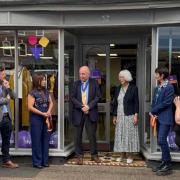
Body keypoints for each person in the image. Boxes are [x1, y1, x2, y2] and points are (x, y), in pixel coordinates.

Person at [71, 66, 101, 165]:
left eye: (83, 74)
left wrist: (88, 107)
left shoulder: (94, 83)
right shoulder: (75, 84)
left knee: (92, 135)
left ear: (88, 74)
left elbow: (98, 97)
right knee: (77, 136)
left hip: (90, 112)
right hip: (78, 113)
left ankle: (94, 155)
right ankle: (79, 156)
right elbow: (72, 98)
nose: (81, 76)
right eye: (80, 74)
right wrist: (82, 107)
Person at [150, 67, 174, 176]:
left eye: (156, 74)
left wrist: (154, 110)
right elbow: (154, 102)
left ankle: (168, 164)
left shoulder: (169, 87)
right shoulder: (157, 88)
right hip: (157, 117)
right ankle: (164, 162)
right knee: (161, 140)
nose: (155, 75)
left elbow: (167, 103)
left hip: (165, 118)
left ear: (162, 75)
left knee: (161, 140)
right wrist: (152, 111)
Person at [112, 69, 139, 164]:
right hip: (120, 115)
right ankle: (122, 155)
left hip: (129, 115)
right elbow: (115, 103)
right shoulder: (117, 88)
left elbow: (136, 103)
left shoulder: (133, 88)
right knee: (121, 135)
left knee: (129, 136)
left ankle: (130, 155)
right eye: (119, 77)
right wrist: (114, 116)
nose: (120, 79)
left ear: (127, 77)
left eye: (122, 77)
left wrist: (136, 115)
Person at [28, 73, 53, 169]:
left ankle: (44, 161)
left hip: (46, 118)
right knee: (36, 140)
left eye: (44, 80)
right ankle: (37, 162)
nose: (44, 81)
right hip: (36, 119)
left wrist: (49, 111)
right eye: (42, 80)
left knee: (45, 140)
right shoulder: (32, 93)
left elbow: (51, 102)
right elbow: (30, 107)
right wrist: (42, 113)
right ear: (37, 81)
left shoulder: (46, 91)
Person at [0, 63, 19, 168]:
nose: (4, 76)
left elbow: (14, 97)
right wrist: (5, 99)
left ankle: (6, 160)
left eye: (4, 74)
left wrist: (9, 88)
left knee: (6, 140)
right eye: (2, 74)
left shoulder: (4, 85)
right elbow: (4, 100)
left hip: (6, 117)